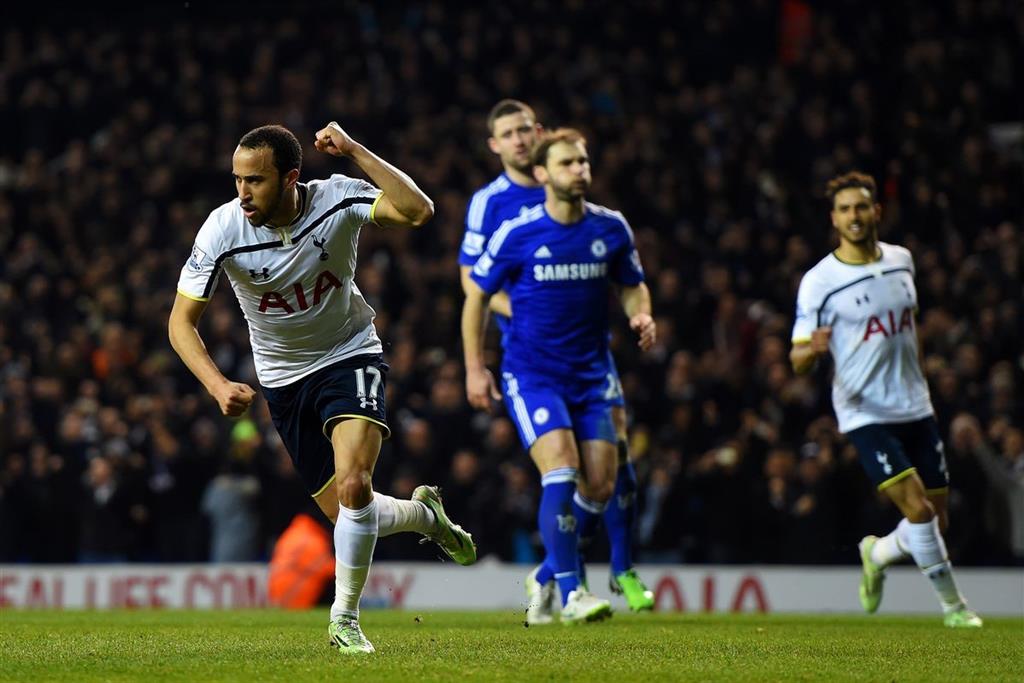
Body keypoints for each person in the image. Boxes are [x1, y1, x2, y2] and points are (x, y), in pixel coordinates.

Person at [169, 123, 477, 654]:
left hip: (348, 353)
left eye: (255, 181)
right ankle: (427, 518)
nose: (243, 193)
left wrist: (354, 150)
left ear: (291, 178)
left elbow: (418, 211)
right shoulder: (223, 228)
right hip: (282, 382)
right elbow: (180, 322)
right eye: (237, 180)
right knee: (351, 514)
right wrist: (216, 385)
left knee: (355, 483)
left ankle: (344, 619)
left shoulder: (337, 198)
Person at [460, 100, 654, 623]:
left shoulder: (610, 228)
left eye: (583, 161)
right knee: (562, 470)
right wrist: (477, 364)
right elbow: (474, 290)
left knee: (603, 484)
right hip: (533, 368)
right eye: (568, 162)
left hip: (592, 368)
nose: (579, 170)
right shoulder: (505, 220)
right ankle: (572, 592)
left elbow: (632, 285)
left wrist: (640, 315)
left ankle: (548, 574)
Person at [789, 171, 981, 628]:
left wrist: (921, 380)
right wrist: (811, 351)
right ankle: (954, 608)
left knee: (935, 522)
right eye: (844, 209)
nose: (854, 216)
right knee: (918, 510)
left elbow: (909, 329)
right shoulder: (819, 281)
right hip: (864, 411)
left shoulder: (901, 261)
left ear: (877, 211)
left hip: (915, 404)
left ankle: (876, 553)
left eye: (861, 207)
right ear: (833, 219)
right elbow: (796, 359)